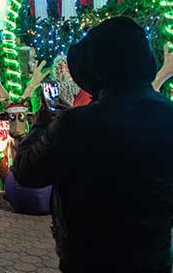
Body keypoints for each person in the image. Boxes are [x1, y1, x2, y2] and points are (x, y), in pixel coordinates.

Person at [13, 17, 173, 273]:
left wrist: (42, 125)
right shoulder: (167, 115)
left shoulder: (76, 125)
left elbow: (27, 172)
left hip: (89, 257)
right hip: (153, 257)